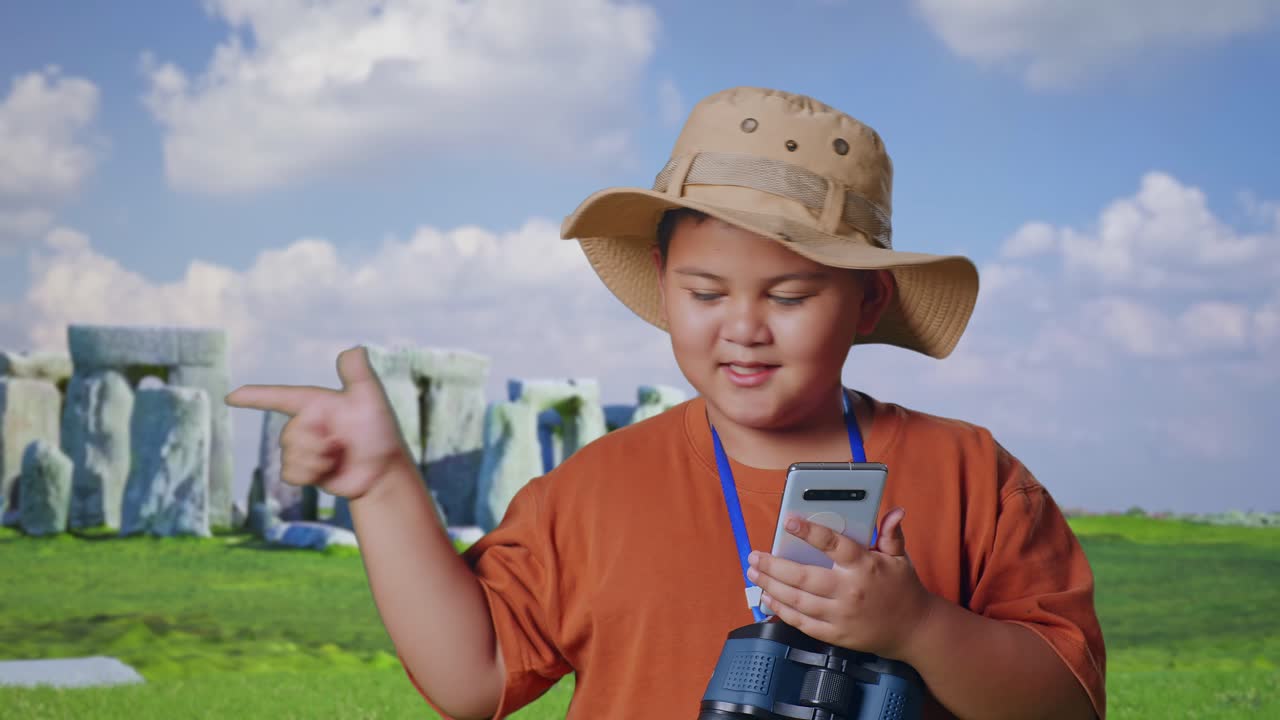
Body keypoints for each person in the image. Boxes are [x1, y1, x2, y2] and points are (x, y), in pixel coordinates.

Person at [225, 86, 1105, 719]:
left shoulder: (971, 474)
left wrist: (919, 627)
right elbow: (474, 677)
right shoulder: (597, 489)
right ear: (661, 283)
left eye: (790, 297)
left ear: (867, 301)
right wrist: (380, 485)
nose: (744, 329)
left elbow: (1068, 705)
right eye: (706, 292)